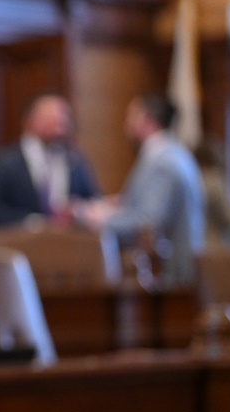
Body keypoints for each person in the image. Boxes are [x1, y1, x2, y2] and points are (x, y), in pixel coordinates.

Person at [78, 93, 206, 287]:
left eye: (131, 116)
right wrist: (118, 204)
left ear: (147, 121)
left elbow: (148, 221)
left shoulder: (162, 160)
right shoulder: (170, 153)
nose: (127, 124)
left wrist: (98, 218)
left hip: (172, 276)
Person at [0, 92, 101, 227]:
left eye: (62, 119)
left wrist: (78, 210)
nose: (58, 125)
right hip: (23, 241)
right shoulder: (8, 162)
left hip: (66, 241)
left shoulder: (75, 160)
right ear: (29, 121)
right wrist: (32, 222)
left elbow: (93, 200)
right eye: (49, 118)